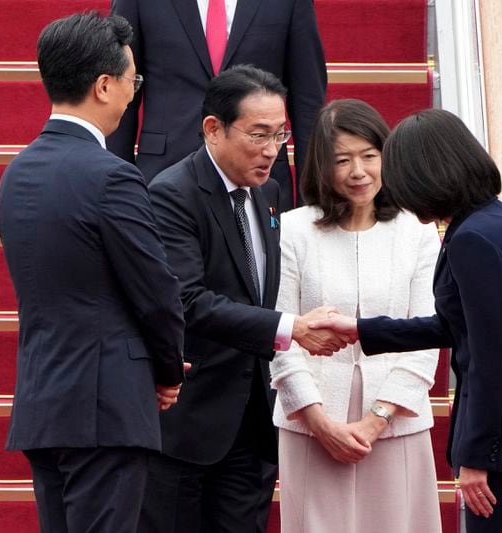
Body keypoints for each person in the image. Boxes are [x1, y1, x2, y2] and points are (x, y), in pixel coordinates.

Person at [311, 108, 502, 533]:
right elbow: (456, 326)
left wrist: (476, 457)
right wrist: (362, 330)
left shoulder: (473, 239)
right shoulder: (498, 220)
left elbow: (491, 362)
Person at [0, 12, 187, 533]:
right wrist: (168, 371)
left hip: (42, 403)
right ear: (104, 86)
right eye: (132, 82)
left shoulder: (16, 173)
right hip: (106, 407)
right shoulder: (112, 177)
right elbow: (156, 292)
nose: (132, 95)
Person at [139, 65, 347, 533]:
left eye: (280, 136)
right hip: (188, 425)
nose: (272, 151)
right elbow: (188, 300)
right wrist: (291, 328)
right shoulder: (171, 195)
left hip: (252, 425)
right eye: (258, 135)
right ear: (213, 129)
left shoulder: (268, 193)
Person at [269, 99, 442, 533]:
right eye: (343, 160)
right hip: (312, 423)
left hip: (396, 419)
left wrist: (374, 421)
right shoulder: (292, 230)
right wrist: (318, 420)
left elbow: (428, 335)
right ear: (322, 166)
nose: (358, 171)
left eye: (369, 156)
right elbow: (280, 333)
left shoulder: (417, 232)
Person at [107, 0, 327, 213]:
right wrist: (118, 192)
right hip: (164, 173)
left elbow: (307, 102)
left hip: (260, 178)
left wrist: (311, 204)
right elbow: (120, 88)